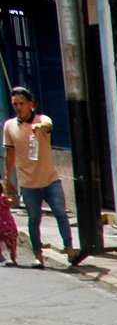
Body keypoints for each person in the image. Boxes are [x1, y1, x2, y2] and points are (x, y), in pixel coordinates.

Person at [3, 86, 77, 268]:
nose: (18, 107)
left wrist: (38, 127)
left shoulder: (41, 120)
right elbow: (9, 154)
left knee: (61, 213)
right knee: (34, 219)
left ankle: (69, 249)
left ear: (31, 104)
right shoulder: (9, 126)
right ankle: (38, 255)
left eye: (22, 103)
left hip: (50, 180)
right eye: (15, 104)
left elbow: (48, 125)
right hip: (28, 183)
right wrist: (8, 179)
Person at [0, 185, 18, 266]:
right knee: (10, 243)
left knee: (10, 244)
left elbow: (13, 202)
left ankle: (12, 259)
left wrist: (14, 194)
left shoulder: (3, 199)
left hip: (7, 227)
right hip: (7, 226)